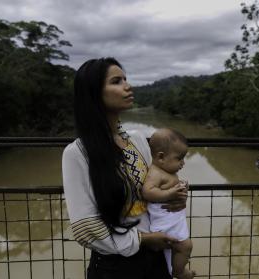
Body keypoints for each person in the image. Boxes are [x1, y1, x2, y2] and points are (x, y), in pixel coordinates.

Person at [62, 57, 188, 279]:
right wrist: (143, 239)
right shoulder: (77, 153)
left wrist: (176, 194)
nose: (127, 86)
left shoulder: (138, 140)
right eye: (116, 81)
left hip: (156, 258)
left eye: (126, 79)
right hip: (115, 267)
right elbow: (85, 228)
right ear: (94, 93)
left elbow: (157, 183)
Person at [143, 128, 195, 279]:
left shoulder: (167, 170)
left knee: (178, 248)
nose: (183, 163)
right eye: (179, 159)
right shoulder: (155, 173)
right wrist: (170, 193)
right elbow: (148, 192)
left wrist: (182, 187)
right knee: (185, 246)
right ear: (161, 157)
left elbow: (169, 186)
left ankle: (172, 269)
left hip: (172, 219)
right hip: (164, 223)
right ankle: (179, 272)